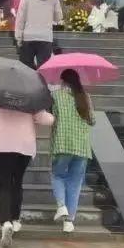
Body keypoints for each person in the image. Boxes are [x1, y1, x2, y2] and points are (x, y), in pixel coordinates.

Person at [0, 104, 54, 247]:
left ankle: (6, 222)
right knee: (17, 182)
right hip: (23, 146)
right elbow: (45, 119)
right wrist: (53, 115)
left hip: (0, 145)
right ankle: (15, 219)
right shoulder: (30, 99)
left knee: (3, 185)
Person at [49, 69, 95, 234]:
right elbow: (93, 121)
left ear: (63, 81)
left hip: (63, 144)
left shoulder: (56, 96)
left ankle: (61, 206)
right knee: (75, 183)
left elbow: (51, 119)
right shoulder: (85, 97)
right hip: (82, 147)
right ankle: (69, 222)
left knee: (57, 175)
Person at [16, 0, 63, 70]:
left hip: (28, 36)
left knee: (26, 70)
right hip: (45, 37)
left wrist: (18, 37)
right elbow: (58, 18)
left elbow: (20, 18)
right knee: (43, 70)